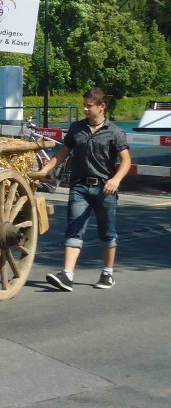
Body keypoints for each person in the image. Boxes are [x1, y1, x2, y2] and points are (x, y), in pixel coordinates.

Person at [43, 87, 131, 291]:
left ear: (102, 107)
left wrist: (116, 180)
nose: (85, 109)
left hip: (105, 189)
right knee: (74, 230)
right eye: (84, 105)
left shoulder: (115, 132)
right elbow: (62, 153)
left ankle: (107, 273)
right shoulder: (76, 128)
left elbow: (126, 160)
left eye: (89, 106)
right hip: (80, 187)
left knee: (107, 233)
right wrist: (44, 170)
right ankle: (67, 275)